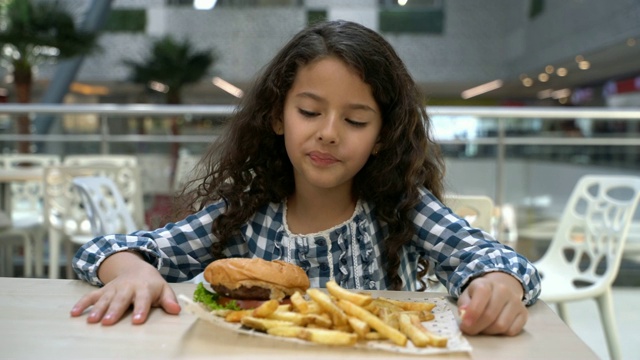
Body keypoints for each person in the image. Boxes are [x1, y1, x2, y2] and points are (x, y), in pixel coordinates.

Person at [71, 20, 541, 336]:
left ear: (381, 136)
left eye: (356, 121)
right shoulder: (244, 213)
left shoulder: (403, 206)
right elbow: (104, 250)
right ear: (278, 117)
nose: (329, 134)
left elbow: (497, 259)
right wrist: (131, 269)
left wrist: (498, 281)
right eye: (310, 111)